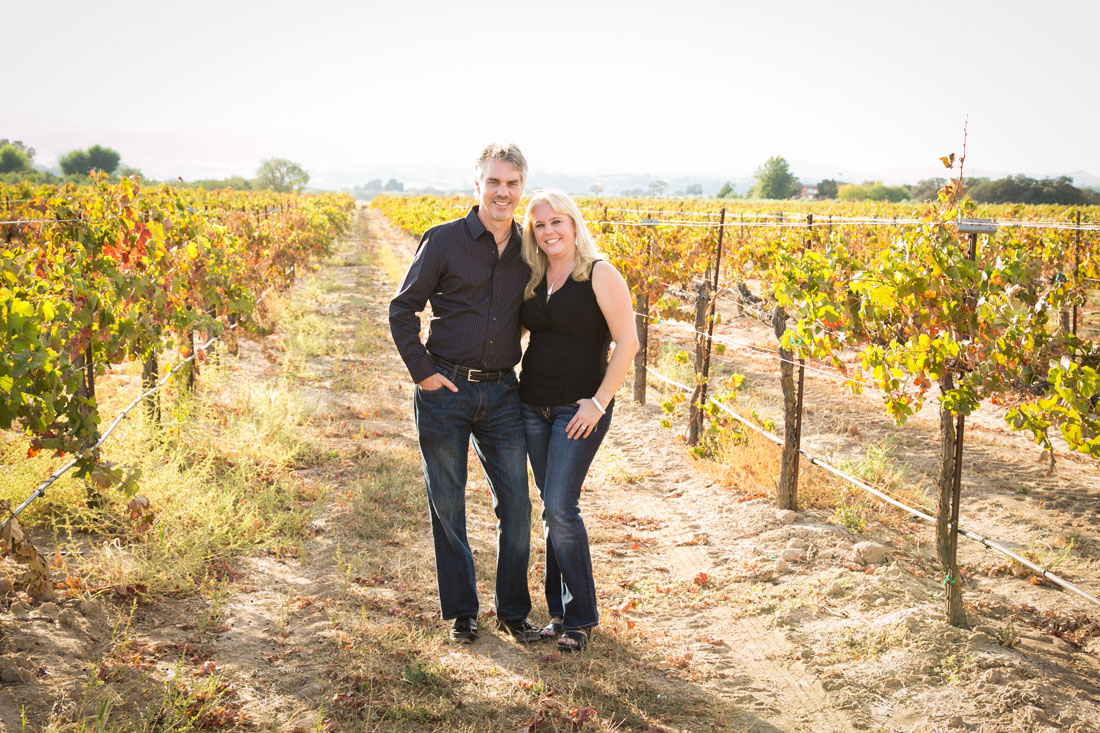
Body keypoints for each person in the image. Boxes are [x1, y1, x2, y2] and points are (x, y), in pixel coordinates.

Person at [389, 144, 541, 645]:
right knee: (448, 503)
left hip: (502, 394)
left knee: (517, 505)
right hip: (445, 390)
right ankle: (462, 612)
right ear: (477, 186)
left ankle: (514, 611)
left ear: (522, 188)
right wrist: (424, 374)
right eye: (494, 182)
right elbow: (402, 309)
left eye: (512, 183)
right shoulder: (442, 241)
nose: (503, 192)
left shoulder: (529, 249)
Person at [518, 190, 639, 651]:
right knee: (551, 509)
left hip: (577, 411)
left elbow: (627, 343)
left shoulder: (600, 274)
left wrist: (599, 402)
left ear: (573, 223)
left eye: (556, 222)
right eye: (539, 226)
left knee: (560, 508)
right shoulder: (535, 276)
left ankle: (581, 618)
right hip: (532, 408)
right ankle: (559, 613)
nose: (549, 232)